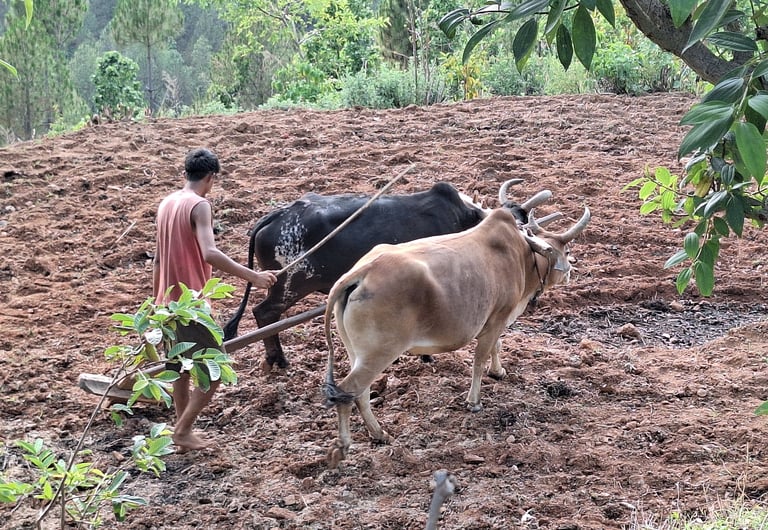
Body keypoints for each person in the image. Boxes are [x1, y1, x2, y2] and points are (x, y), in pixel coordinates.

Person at [153, 147, 277, 451]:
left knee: (180, 369)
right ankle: (182, 431)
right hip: (190, 304)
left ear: (185, 173)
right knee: (215, 369)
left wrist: (157, 300)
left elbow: (157, 259)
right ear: (211, 177)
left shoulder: (166, 203)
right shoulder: (200, 206)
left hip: (166, 304)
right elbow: (209, 253)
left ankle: (182, 431)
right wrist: (253, 276)